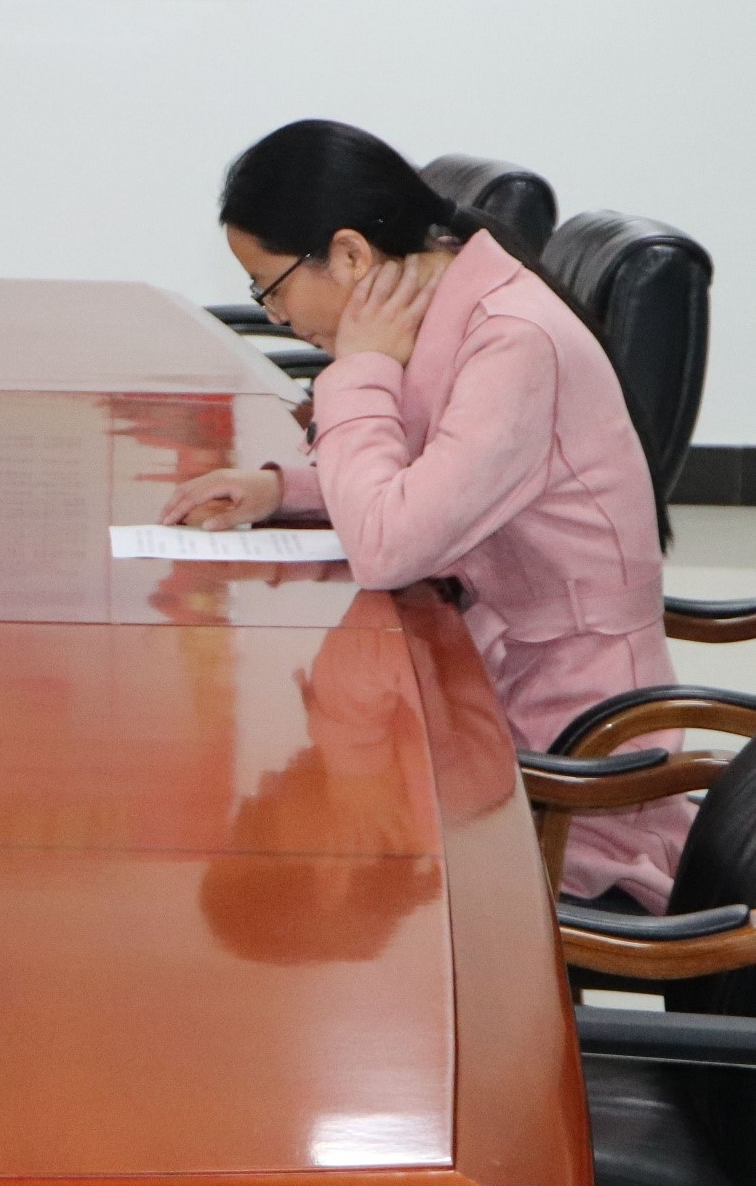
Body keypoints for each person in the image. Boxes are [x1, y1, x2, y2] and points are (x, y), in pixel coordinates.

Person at [161, 119, 689, 909]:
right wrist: (284, 489)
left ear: (348, 254)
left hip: (568, 770)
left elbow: (388, 547)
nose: (272, 314)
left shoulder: (510, 339)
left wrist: (360, 368)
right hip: (499, 709)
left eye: (269, 287)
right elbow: (431, 478)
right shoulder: (457, 304)